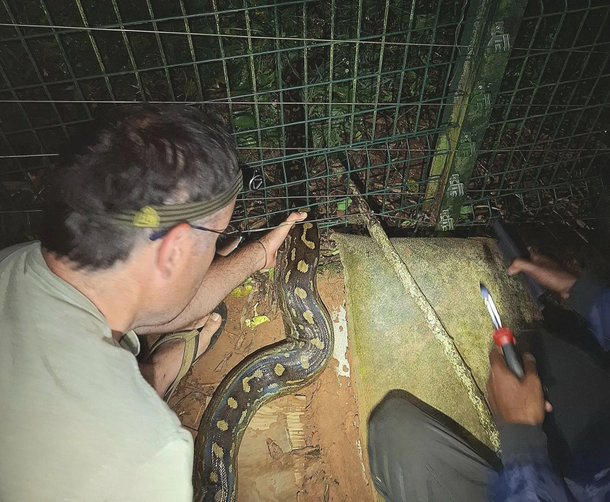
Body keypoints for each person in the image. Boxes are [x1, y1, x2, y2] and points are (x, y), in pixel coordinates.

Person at [0, 105, 306, 502]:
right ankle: (157, 373)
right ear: (174, 251)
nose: (215, 250)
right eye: (214, 240)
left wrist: (258, 254)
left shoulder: (17, 261)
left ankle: (157, 370)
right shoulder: (146, 455)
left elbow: (167, 300)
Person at [368, 250, 610, 502]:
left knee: (398, 435)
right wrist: (580, 290)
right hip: (599, 448)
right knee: (536, 348)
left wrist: (522, 438)